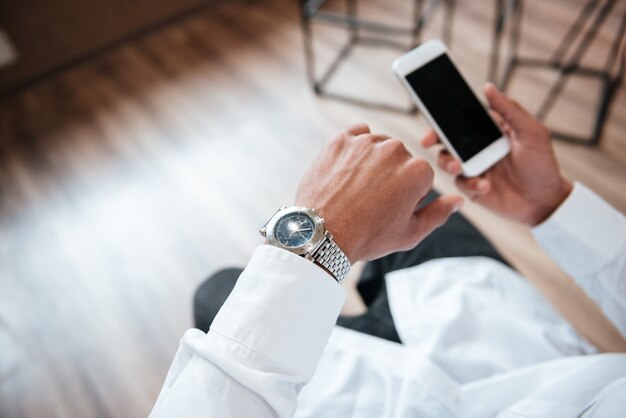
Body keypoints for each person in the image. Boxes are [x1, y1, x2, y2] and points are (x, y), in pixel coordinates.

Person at [149, 83, 626, 417]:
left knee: (217, 293)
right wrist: (550, 203)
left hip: (354, 399)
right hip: (514, 347)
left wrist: (316, 242)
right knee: (422, 197)